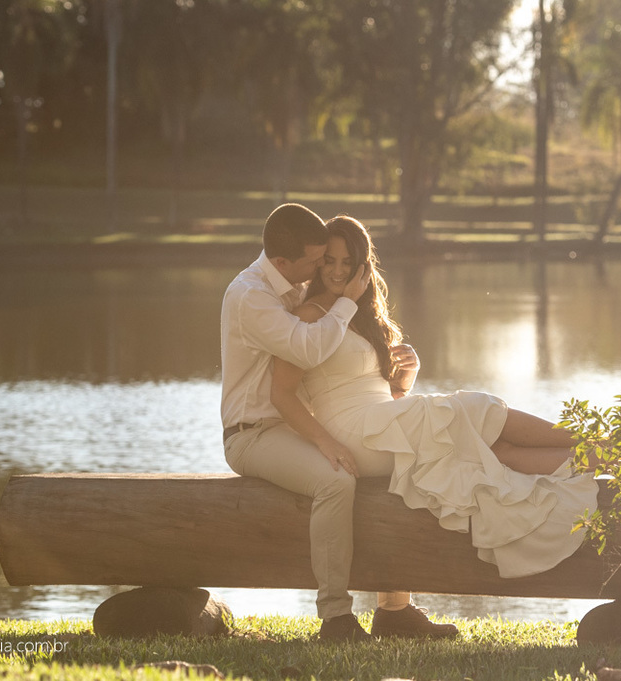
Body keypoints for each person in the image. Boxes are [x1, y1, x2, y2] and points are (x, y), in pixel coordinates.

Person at [270, 215, 600, 581]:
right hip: (350, 435)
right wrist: (325, 443)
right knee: (474, 408)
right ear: (317, 264)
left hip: (378, 424)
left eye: (347, 262)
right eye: (329, 261)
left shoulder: (363, 316)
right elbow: (283, 394)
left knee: (495, 452)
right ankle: (604, 443)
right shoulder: (307, 316)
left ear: (362, 265)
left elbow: (389, 397)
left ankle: (609, 456)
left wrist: (406, 376)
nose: (337, 271)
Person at [220, 203, 458, 642]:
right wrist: (326, 442)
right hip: (254, 433)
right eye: (316, 261)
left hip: (294, 425)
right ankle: (335, 618)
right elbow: (306, 352)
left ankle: (394, 610)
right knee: (335, 480)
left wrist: (397, 377)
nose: (322, 269)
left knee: (396, 460)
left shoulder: (293, 288)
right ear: (283, 262)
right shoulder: (252, 297)